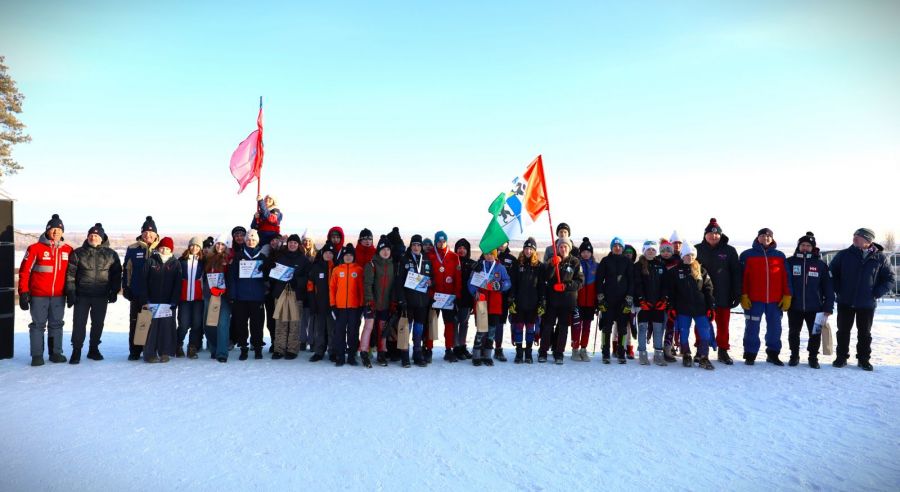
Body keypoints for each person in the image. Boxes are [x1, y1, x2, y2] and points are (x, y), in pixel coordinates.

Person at [829, 228, 895, 371]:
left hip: (866, 303)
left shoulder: (880, 258)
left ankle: (864, 359)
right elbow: (831, 272)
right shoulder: (844, 255)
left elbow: (890, 278)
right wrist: (838, 288)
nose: (854, 238)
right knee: (843, 331)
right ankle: (841, 357)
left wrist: (876, 293)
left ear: (868, 241)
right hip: (845, 301)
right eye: (854, 236)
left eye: (858, 237)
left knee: (864, 333)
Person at [19, 214, 74, 366]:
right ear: (47, 230)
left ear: (63, 232)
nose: (56, 232)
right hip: (38, 296)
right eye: (53, 229)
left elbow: (72, 274)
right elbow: (24, 272)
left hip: (58, 296)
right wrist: (23, 292)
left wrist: (71, 292)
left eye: (59, 229)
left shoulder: (68, 250)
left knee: (56, 324)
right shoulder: (35, 248)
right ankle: (37, 356)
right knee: (38, 325)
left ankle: (55, 353)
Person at [65, 223, 121, 363]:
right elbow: (70, 275)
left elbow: (116, 274)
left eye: (96, 235)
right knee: (79, 324)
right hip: (82, 296)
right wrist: (71, 292)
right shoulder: (78, 253)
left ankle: (93, 349)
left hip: (101, 296)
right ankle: (76, 351)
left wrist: (114, 291)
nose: (93, 237)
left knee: (97, 324)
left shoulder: (111, 254)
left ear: (102, 238)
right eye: (91, 235)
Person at [739, 228, 791, 366]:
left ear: (772, 238)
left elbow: (786, 277)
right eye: (763, 236)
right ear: (758, 238)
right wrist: (743, 294)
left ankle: (773, 354)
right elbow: (742, 277)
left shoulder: (780, 255)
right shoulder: (747, 255)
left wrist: (787, 295)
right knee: (752, 327)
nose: (766, 238)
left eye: (769, 236)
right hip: (754, 299)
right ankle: (750, 354)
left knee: (775, 327)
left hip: (775, 300)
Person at [694, 218, 741, 365]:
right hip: (702, 295)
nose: (713, 236)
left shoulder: (729, 251)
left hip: (723, 294)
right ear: (705, 235)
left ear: (720, 235)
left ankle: (723, 350)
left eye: (716, 234)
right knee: (701, 324)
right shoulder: (697, 249)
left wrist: (737, 293)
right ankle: (700, 350)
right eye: (710, 234)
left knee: (723, 325)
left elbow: (736, 273)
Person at [785, 232, 834, 369]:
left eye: (808, 245)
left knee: (815, 333)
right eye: (803, 245)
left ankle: (813, 357)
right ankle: (794, 356)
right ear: (798, 246)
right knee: (794, 332)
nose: (805, 248)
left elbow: (828, 288)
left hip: (816, 307)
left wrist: (828, 307)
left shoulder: (820, 265)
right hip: (794, 306)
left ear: (813, 248)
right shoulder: (790, 262)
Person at [666, 243, 716, 370]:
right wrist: (671, 307)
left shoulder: (701, 270)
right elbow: (671, 292)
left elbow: (708, 289)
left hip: (701, 309)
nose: (690, 257)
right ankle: (686, 354)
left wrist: (711, 307)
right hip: (683, 309)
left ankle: (704, 356)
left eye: (692, 255)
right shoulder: (675, 271)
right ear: (682, 255)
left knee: (705, 333)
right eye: (687, 255)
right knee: (684, 332)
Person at [266, 233, 310, 360]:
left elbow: (308, 277)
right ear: (288, 243)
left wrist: (298, 282)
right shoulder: (280, 257)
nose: (292, 244)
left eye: (295, 243)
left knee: (294, 323)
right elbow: (271, 275)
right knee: (281, 322)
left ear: (298, 245)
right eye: (291, 242)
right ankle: (279, 349)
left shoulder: (303, 259)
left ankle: (292, 349)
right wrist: (272, 271)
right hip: (280, 293)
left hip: (296, 294)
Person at [538, 240, 583, 364]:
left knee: (563, 328)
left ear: (569, 248)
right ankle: (543, 351)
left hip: (567, 301)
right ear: (557, 248)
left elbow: (580, 282)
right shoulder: (552, 260)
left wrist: (566, 286)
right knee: (547, 326)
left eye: (565, 247)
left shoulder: (575, 262)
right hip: (552, 300)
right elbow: (546, 277)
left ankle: (559, 353)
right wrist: (552, 265)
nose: (563, 249)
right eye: (561, 247)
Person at [122, 216, 159, 360]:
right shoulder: (133, 249)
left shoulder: (161, 248)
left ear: (156, 234)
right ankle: (135, 350)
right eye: (145, 232)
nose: (148, 235)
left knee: (153, 323)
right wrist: (126, 287)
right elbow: (127, 270)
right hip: (136, 292)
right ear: (141, 233)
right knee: (135, 322)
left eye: (151, 232)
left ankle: (150, 349)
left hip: (155, 294)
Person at [228, 229, 268, 361]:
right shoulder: (239, 256)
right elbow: (232, 277)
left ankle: (257, 348)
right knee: (241, 325)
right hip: (241, 297)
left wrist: (267, 271)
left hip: (257, 298)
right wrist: (233, 295)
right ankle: (243, 348)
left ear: (257, 241)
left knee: (257, 325)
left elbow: (268, 279)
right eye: (249, 239)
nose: (251, 242)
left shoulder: (262, 258)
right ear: (245, 241)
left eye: (253, 240)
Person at [140, 237, 182, 363]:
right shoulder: (150, 261)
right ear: (158, 248)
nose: (164, 250)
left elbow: (177, 284)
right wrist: (145, 300)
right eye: (162, 247)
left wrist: (174, 301)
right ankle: (149, 353)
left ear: (171, 250)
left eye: (167, 248)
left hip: (168, 303)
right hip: (152, 301)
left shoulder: (175, 263)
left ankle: (165, 352)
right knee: (151, 328)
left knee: (167, 327)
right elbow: (143, 282)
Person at [467, 248, 512, 366]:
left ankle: (487, 355)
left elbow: (508, 282)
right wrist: (474, 292)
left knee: (491, 331)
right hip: (481, 302)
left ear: (495, 255)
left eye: (491, 254)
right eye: (487, 254)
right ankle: (476, 355)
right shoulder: (479, 266)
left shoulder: (500, 267)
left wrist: (501, 285)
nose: (489, 256)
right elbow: (470, 282)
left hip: (495, 304)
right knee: (481, 330)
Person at [397, 235, 433, 367]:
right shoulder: (404, 260)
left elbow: (432, 278)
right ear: (410, 246)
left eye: (418, 245)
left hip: (422, 302)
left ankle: (417, 353)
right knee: (407, 328)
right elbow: (399, 282)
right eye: (414, 245)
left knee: (419, 329)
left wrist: (431, 282)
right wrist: (401, 299)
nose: (416, 247)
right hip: (408, 301)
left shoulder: (426, 260)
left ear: (421, 246)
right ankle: (404, 355)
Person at [596, 237, 634, 364]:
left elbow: (632, 282)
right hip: (608, 300)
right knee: (606, 327)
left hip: (623, 301)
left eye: (619, 246)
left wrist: (629, 299)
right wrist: (600, 298)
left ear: (622, 248)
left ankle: (621, 352)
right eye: (615, 246)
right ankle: (605, 352)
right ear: (611, 247)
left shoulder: (627, 262)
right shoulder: (605, 261)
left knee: (623, 328)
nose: (617, 248)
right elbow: (599, 280)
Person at [508, 237, 545, 364]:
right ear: (523, 250)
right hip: (519, 303)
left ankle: (528, 352)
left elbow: (541, 286)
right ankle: (519, 352)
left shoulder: (539, 266)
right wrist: (511, 299)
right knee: (518, 328)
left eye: (530, 249)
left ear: (534, 251)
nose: (528, 251)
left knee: (530, 328)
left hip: (533, 303)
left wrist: (542, 301)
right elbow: (513, 283)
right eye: (526, 248)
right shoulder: (517, 264)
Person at [363, 235, 396, 367]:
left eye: (388, 249)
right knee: (369, 327)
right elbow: (367, 284)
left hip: (385, 304)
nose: (386, 252)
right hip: (372, 303)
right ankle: (364, 352)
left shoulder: (393, 265)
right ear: (378, 250)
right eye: (383, 249)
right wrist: (369, 300)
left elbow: (394, 285)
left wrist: (393, 302)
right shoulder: (371, 264)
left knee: (383, 328)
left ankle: (382, 352)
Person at [428, 231, 461, 363]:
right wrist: (429, 294)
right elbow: (426, 275)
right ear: (435, 242)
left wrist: (456, 295)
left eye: (443, 241)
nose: (441, 244)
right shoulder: (429, 256)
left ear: (447, 242)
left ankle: (448, 349)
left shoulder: (454, 257)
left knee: (449, 324)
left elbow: (458, 278)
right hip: (434, 296)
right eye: (439, 241)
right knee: (431, 323)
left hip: (448, 298)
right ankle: (428, 349)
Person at [330, 244, 365, 366]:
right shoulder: (337, 270)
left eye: (351, 255)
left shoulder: (359, 270)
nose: (348, 257)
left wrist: (361, 306)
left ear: (354, 256)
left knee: (353, 332)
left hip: (354, 308)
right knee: (339, 332)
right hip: (340, 308)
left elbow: (361, 289)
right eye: (346, 255)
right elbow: (332, 289)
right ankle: (340, 356)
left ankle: (351, 356)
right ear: (343, 257)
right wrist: (333, 305)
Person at [634, 240, 667, 365]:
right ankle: (642, 353)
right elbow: (637, 284)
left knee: (658, 329)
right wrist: (641, 300)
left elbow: (665, 284)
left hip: (658, 304)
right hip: (644, 305)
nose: (651, 251)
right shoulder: (638, 265)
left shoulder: (661, 265)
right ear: (644, 251)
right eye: (648, 249)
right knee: (642, 328)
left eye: (653, 249)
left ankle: (658, 353)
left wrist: (663, 299)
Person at [202, 234, 232, 362]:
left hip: (224, 296)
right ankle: (214, 348)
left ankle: (222, 352)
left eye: (223, 244)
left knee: (222, 324)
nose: (220, 246)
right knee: (208, 323)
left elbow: (232, 277)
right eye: (218, 244)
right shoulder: (208, 258)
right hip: (210, 294)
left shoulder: (230, 259)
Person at [307, 242, 336, 362]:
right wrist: (312, 303)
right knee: (319, 330)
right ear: (322, 254)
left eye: (331, 253)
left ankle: (332, 352)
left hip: (333, 306)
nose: (328, 255)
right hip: (320, 304)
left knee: (332, 330)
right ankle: (319, 352)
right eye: (326, 253)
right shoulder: (316, 267)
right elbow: (310, 286)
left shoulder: (337, 268)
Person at [177, 237, 205, 358]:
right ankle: (177, 344)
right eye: (193, 245)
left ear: (200, 248)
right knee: (183, 324)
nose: (195, 248)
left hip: (198, 298)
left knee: (197, 324)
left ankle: (192, 347)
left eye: (197, 246)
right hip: (183, 299)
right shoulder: (181, 261)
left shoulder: (203, 262)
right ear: (189, 246)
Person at [573, 237, 597, 362]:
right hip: (578, 301)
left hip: (591, 302)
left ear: (591, 253)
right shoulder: (577, 263)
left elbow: (599, 284)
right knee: (577, 326)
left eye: (588, 251)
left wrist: (598, 302)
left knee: (587, 327)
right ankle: (575, 349)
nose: (586, 254)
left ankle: (583, 348)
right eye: (583, 252)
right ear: (580, 253)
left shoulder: (596, 265)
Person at [493, 241, 518, 361]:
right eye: (500, 241)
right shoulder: (488, 256)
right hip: (488, 296)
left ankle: (498, 349)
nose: (501, 244)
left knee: (500, 323)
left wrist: (511, 295)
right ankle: (483, 347)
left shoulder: (512, 259)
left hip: (504, 297)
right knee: (487, 322)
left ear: (508, 243)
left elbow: (514, 280)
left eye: (504, 242)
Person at [453, 238, 477, 360]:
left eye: (464, 248)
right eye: (459, 248)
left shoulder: (472, 264)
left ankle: (462, 346)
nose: (461, 250)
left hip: (467, 299)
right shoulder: (451, 261)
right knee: (454, 322)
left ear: (468, 250)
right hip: (453, 298)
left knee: (464, 323)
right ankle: (455, 347)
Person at [658, 239, 681, 362]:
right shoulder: (657, 262)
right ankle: (658, 348)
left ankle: (667, 347)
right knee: (659, 324)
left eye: (668, 251)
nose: (666, 253)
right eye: (663, 251)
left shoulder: (677, 262)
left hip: (673, 299)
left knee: (670, 324)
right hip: (658, 299)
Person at [263, 235, 285, 352]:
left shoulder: (284, 254)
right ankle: (273, 341)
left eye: (276, 240)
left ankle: (281, 342)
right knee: (271, 319)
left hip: (281, 291)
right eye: (271, 240)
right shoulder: (267, 255)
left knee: (281, 319)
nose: (273, 242)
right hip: (269, 291)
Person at [298, 230, 318, 351]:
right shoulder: (299, 254)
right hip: (301, 289)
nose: (307, 243)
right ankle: (302, 340)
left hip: (313, 289)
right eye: (305, 240)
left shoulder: (317, 254)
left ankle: (312, 340)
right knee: (302, 317)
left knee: (312, 317)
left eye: (309, 241)